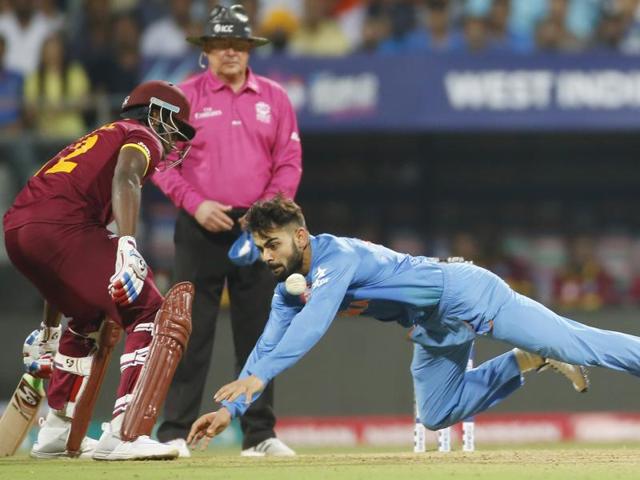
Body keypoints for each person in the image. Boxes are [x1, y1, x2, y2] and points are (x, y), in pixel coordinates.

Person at [187, 195, 640, 447]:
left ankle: (554, 349)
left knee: (581, 344)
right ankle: (528, 358)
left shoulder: (336, 257)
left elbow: (312, 327)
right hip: (433, 325)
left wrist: (260, 376)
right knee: (439, 413)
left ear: (299, 236)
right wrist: (231, 409)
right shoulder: (290, 284)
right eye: (261, 248)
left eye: (273, 245)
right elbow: (268, 344)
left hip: (466, 293)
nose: (267, 256)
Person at [3, 80, 196, 460]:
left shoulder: (101, 135)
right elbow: (125, 176)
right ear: (157, 113)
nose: (177, 141)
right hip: (61, 228)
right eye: (178, 128)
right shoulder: (141, 135)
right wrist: (127, 244)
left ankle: (56, 432)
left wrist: (48, 329)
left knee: (87, 316)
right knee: (151, 310)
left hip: (19, 231)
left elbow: (62, 265)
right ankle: (126, 432)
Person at [152, 4, 302, 457]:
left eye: (238, 44)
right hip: (201, 226)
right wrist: (196, 205)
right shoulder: (184, 98)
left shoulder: (274, 97)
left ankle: (259, 436)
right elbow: (159, 161)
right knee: (188, 332)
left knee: (260, 334)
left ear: (249, 49)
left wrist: (266, 213)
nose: (230, 52)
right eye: (221, 45)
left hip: (258, 231)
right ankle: (174, 433)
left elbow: (289, 162)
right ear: (207, 51)